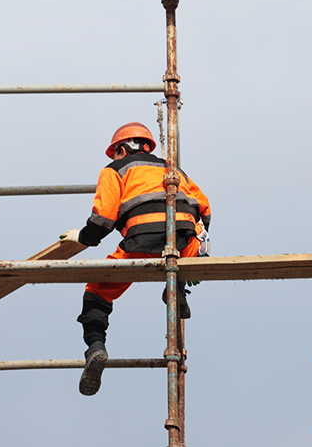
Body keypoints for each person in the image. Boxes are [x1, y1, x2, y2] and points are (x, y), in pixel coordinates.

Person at [59, 121, 211, 396]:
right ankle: (177, 288)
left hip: (140, 243)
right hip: (184, 245)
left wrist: (81, 237)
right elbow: (206, 210)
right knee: (195, 246)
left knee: (97, 290)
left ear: (121, 149)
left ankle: (96, 346)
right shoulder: (174, 170)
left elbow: (103, 218)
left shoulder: (114, 170)